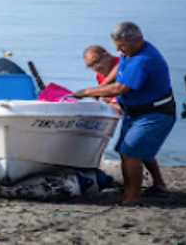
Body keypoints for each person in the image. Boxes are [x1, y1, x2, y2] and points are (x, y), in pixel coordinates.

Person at [73, 22, 176, 206]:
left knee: (131, 153)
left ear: (137, 40)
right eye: (116, 47)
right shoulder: (129, 52)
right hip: (134, 111)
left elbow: (121, 87)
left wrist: (89, 92)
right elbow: (119, 66)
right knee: (124, 151)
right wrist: (102, 87)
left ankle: (133, 196)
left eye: (122, 46)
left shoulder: (143, 59)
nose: (119, 51)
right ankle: (129, 191)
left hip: (154, 112)